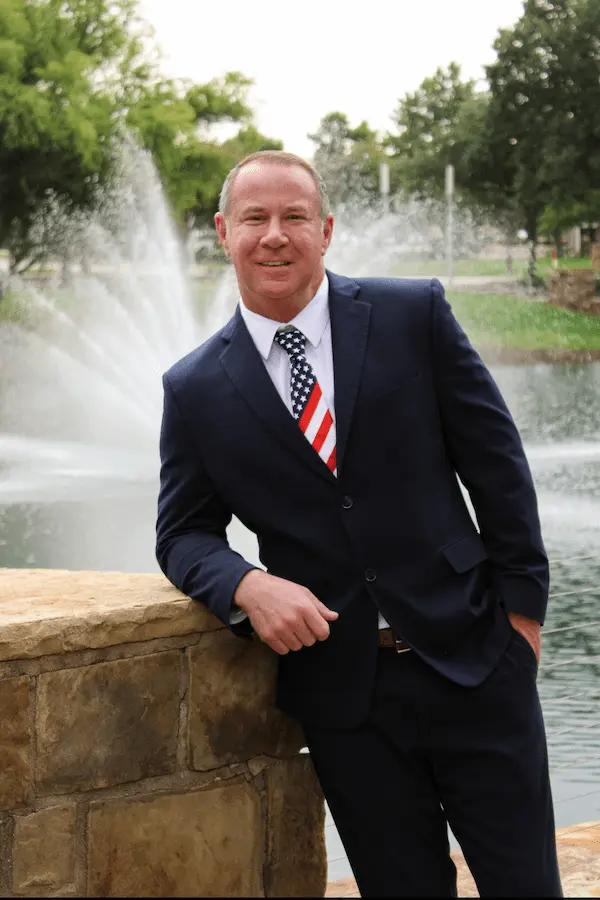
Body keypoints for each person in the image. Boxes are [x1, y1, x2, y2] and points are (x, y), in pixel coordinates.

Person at [156, 150, 562, 897]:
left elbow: (498, 466)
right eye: (254, 219)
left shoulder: (414, 314)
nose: (274, 235)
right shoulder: (193, 389)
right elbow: (181, 532)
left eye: (293, 217)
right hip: (346, 696)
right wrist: (246, 584)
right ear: (223, 232)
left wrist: (523, 619)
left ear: (326, 230)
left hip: (475, 660)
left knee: (525, 885)